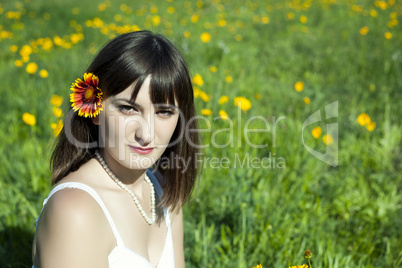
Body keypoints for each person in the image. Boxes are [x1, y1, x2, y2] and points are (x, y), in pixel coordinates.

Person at [32, 30, 199, 268]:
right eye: (128, 109)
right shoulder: (75, 211)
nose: (147, 134)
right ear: (94, 108)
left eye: (164, 112)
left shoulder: (164, 192)